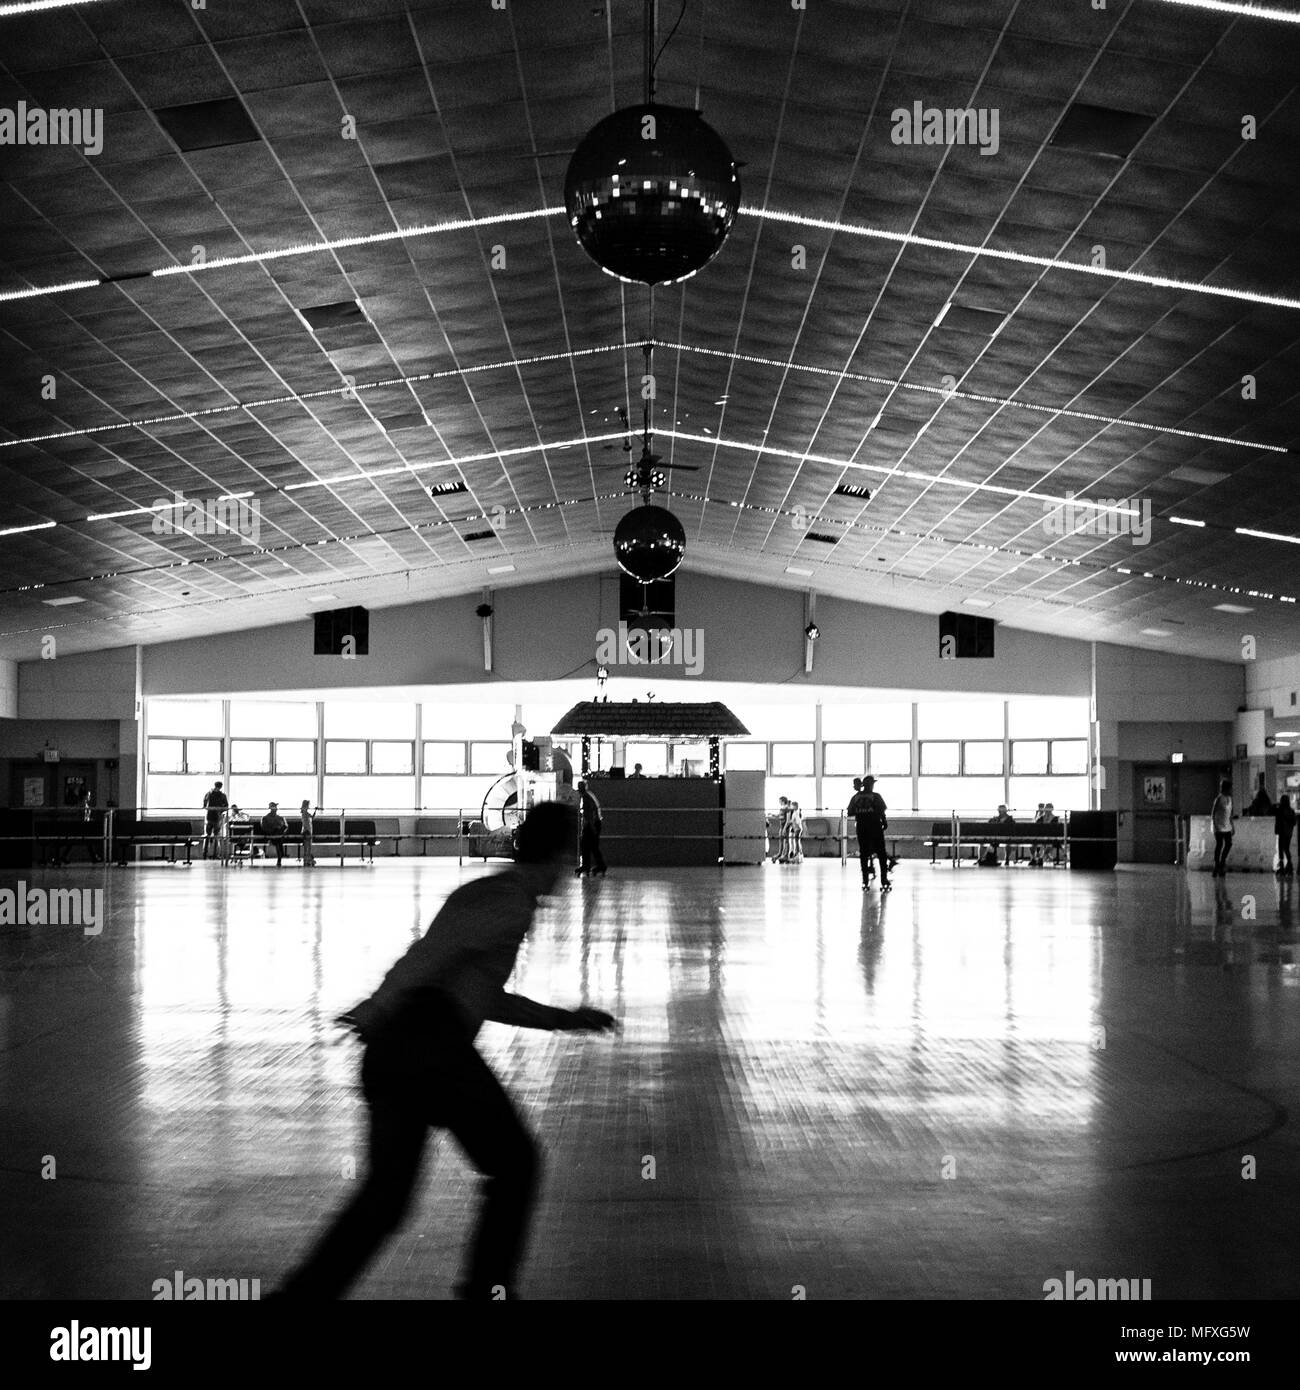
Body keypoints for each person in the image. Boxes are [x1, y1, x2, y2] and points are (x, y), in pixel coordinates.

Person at [273, 802, 616, 1301]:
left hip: (400, 1054)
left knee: (386, 1200)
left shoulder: (500, 896)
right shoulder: (506, 901)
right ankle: (487, 1292)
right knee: (516, 1164)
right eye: (569, 858)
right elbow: (428, 959)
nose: (571, 872)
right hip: (429, 1048)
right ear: (559, 855)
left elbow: (479, 993)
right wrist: (375, 1008)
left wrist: (564, 1019)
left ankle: (301, 1298)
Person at [854, 777, 891, 891]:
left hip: (861, 828)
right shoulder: (876, 796)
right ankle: (884, 880)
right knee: (881, 854)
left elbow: (850, 810)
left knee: (864, 854)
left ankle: (865, 881)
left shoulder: (856, 797)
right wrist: (884, 822)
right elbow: (881, 811)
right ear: (871, 785)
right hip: (875, 827)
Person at [576, 781, 607, 877]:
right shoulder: (589, 794)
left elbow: (589, 814)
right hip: (595, 823)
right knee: (593, 846)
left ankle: (588, 866)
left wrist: (590, 827)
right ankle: (600, 866)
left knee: (586, 845)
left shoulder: (586, 797)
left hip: (592, 824)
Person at [1211, 780, 1234, 877]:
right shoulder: (1219, 799)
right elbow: (1213, 813)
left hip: (1227, 825)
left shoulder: (1230, 798)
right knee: (1219, 845)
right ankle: (1217, 864)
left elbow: (1230, 814)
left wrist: (1232, 825)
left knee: (1228, 844)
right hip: (1219, 825)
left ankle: (1222, 861)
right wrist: (1215, 825)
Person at [201, 781, 228, 859]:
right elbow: (226, 806)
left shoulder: (209, 794)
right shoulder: (222, 795)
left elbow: (204, 805)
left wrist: (211, 809)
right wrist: (219, 811)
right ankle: (215, 855)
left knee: (207, 836)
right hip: (217, 818)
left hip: (209, 817)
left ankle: (205, 854)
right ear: (221, 787)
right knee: (216, 836)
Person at [261, 802, 288, 867]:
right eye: (274, 807)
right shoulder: (265, 818)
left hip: (279, 835)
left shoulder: (280, 818)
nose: (275, 809)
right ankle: (280, 856)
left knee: (278, 837)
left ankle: (280, 857)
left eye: (275, 807)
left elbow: (285, 826)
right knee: (277, 838)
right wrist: (273, 830)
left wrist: (281, 830)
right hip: (271, 834)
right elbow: (264, 828)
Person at [1275, 795, 1295, 875]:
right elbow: (1294, 822)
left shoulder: (1280, 810)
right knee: (1286, 848)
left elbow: (1278, 822)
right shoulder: (1291, 811)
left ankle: (1282, 866)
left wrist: (1276, 831)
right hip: (1289, 833)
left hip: (1282, 832)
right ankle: (1290, 865)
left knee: (1281, 849)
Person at [299, 799, 317, 867]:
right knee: (307, 846)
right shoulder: (304, 813)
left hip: (308, 831)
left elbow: (312, 817)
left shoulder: (306, 813)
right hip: (306, 831)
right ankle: (306, 859)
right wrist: (307, 831)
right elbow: (305, 823)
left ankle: (307, 859)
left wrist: (315, 811)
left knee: (308, 846)